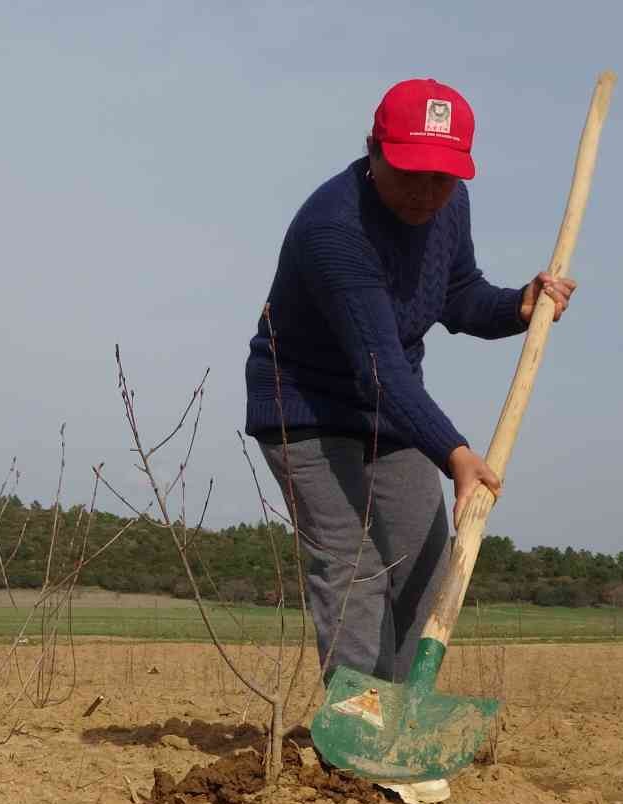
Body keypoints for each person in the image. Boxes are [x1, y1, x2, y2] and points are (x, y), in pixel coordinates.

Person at [244, 78, 575, 685]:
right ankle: (359, 727)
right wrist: (455, 455)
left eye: (443, 177)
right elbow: (379, 371)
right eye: (410, 172)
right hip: (309, 412)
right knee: (355, 572)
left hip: (390, 410)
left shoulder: (450, 203)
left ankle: (401, 721)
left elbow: (456, 293)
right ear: (374, 149)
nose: (426, 193)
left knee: (424, 562)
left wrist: (517, 307)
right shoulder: (334, 230)